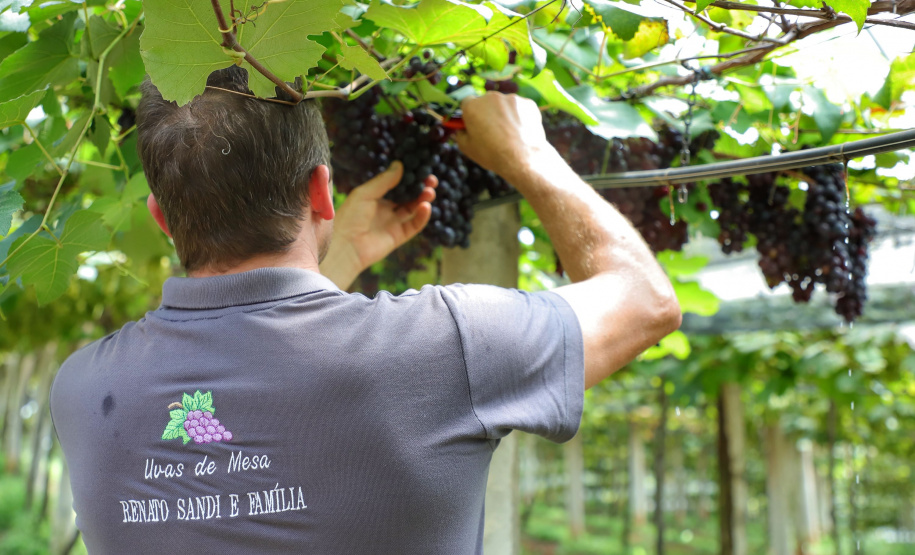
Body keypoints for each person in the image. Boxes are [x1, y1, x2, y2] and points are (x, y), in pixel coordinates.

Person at [50, 67, 680, 554]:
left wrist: (340, 256)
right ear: (322, 190)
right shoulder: (446, 347)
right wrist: (528, 155)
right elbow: (645, 300)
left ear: (162, 219)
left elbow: (266, 375)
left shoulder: (82, 391)